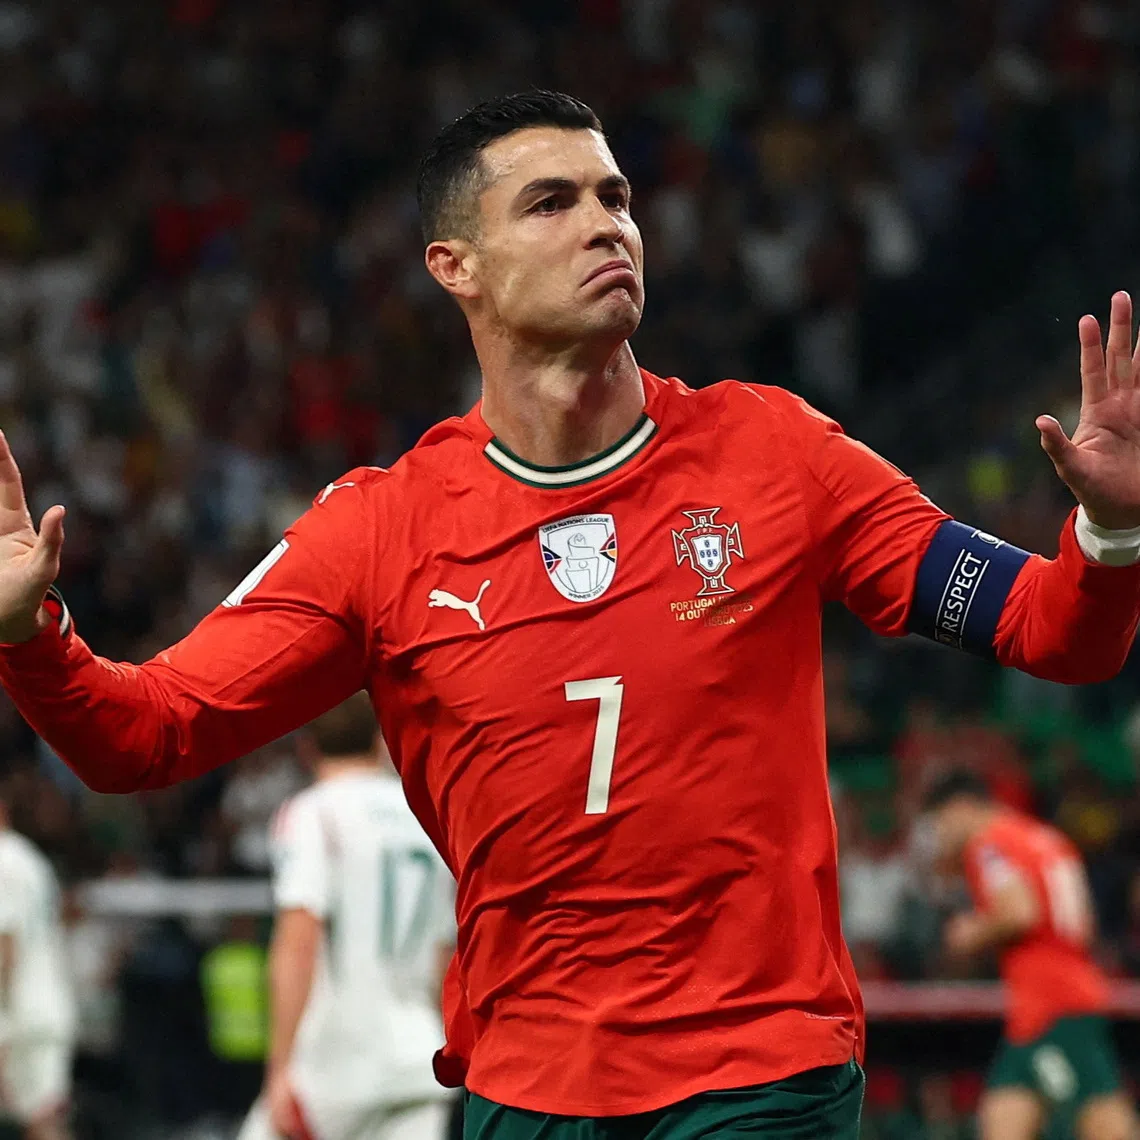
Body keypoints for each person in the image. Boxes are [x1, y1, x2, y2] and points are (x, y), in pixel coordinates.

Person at [1, 90, 1140, 1139]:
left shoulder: (776, 455)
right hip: (521, 1088)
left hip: (757, 1074)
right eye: (552, 202)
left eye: (616, 197)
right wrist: (28, 636)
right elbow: (142, 735)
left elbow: (1051, 631)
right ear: (458, 266)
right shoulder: (379, 529)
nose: (606, 224)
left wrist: (1112, 538)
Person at [238, 692, 453, 1140]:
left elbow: (299, 942)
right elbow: (443, 955)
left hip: (336, 1060)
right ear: (382, 739)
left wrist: (279, 1069)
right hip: (419, 1057)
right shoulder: (427, 815)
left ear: (305, 746)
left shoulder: (314, 813)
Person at [923, 769, 1139, 1140]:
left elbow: (1020, 912)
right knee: (1001, 1118)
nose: (938, 834)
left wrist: (970, 932)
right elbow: (1081, 920)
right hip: (1057, 997)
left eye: (938, 822)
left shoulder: (989, 844)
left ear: (960, 808)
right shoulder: (1044, 838)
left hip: (1051, 1006)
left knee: (1105, 1123)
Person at [0, 797, 77, 1140]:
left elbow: (5, 945)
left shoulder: (4, 861)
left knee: (43, 1125)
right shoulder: (29, 857)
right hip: (44, 1007)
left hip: (24, 1016)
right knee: (42, 1122)